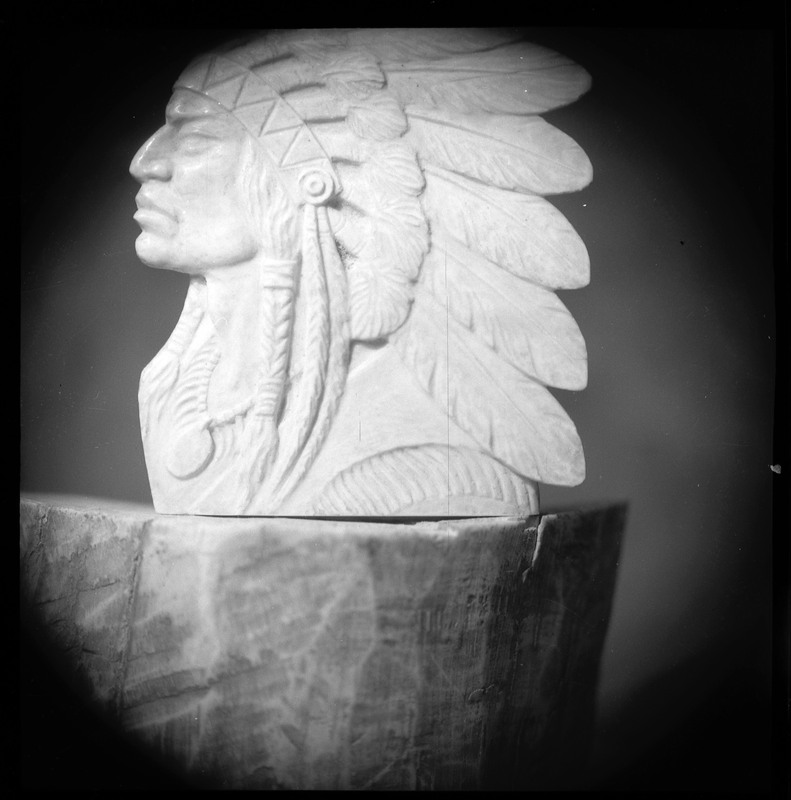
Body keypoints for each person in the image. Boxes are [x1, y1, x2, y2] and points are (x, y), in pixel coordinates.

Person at [131, 29, 590, 515]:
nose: (146, 162)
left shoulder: (425, 468)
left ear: (301, 181)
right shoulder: (167, 387)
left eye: (197, 137)